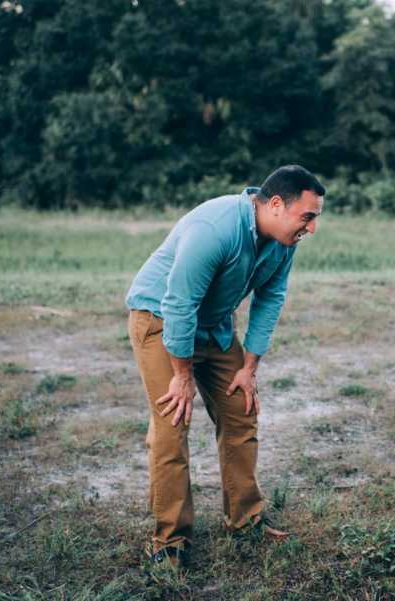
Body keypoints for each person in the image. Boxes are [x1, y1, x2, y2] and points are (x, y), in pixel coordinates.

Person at [126, 165, 325, 568]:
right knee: (172, 420)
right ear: (274, 205)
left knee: (241, 409)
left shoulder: (284, 241)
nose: (312, 227)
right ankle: (170, 540)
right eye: (307, 216)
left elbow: (271, 298)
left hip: (213, 326)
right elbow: (179, 304)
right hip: (161, 318)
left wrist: (249, 366)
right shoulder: (214, 228)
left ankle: (245, 520)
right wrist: (182, 376)